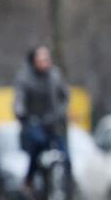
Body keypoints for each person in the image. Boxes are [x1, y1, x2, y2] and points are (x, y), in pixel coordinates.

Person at [13, 45, 71, 191]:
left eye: (47, 59)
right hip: (34, 122)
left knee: (65, 156)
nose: (45, 62)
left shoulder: (55, 75)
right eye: (41, 60)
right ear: (34, 62)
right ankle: (29, 179)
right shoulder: (25, 78)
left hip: (53, 123)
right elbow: (19, 99)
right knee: (37, 146)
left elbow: (65, 97)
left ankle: (68, 188)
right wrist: (21, 113)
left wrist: (61, 112)